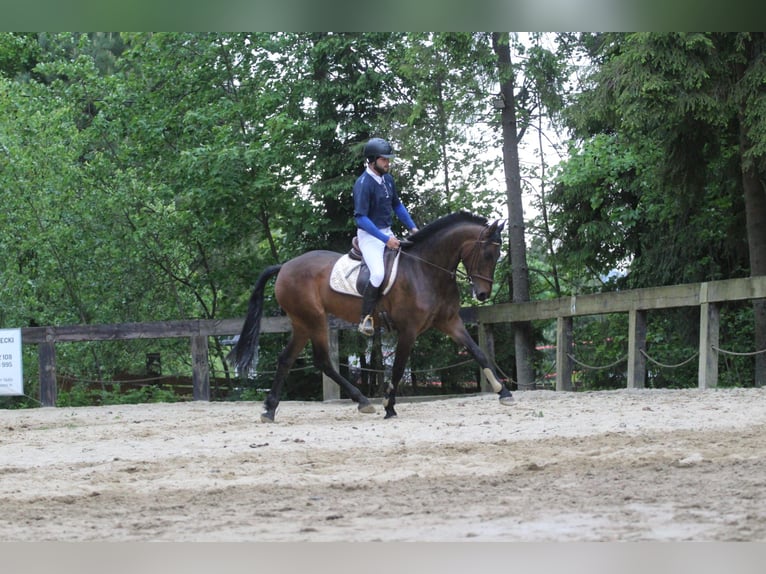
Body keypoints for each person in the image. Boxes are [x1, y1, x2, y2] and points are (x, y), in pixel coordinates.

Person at [353, 137, 419, 336]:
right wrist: (385, 240)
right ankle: (365, 318)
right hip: (369, 236)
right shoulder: (363, 183)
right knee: (378, 274)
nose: (388, 163)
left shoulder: (387, 179)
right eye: (384, 160)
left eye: (388, 160)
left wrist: (413, 228)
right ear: (372, 161)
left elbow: (397, 205)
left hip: (387, 232)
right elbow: (361, 218)